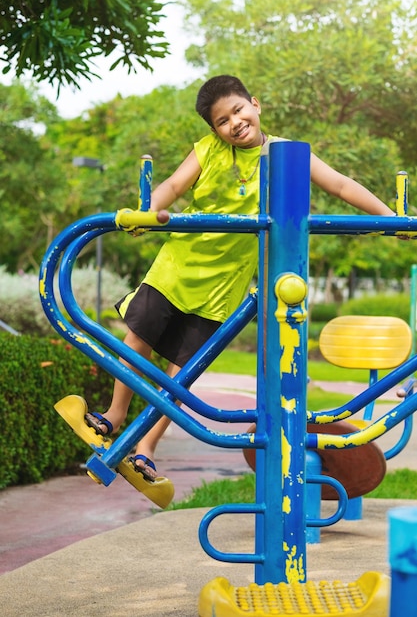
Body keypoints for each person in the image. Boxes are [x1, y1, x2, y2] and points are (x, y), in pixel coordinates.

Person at [84, 74, 395, 481]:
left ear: (256, 104)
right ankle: (114, 413)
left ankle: (145, 448)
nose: (234, 122)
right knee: (137, 339)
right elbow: (175, 184)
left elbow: (339, 184)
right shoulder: (208, 150)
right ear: (214, 130)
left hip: (223, 286)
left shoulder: (285, 154)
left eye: (238, 110)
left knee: (183, 373)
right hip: (177, 267)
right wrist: (149, 209)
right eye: (222, 120)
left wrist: (390, 218)